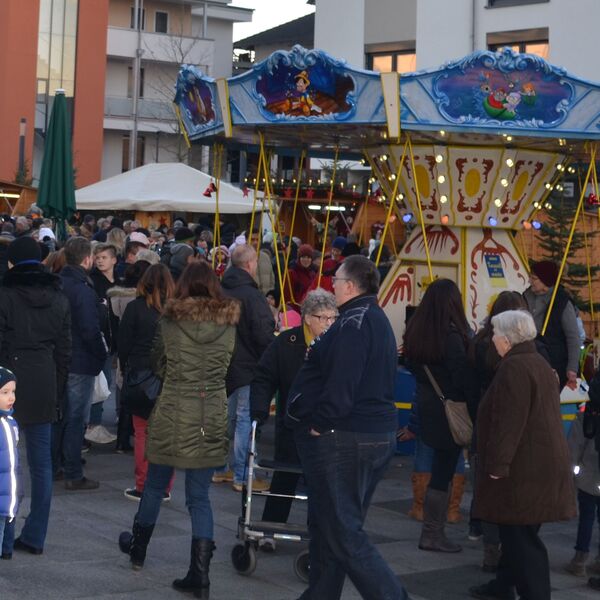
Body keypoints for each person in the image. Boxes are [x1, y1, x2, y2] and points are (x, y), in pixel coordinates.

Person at [285, 255, 409, 600]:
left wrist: (319, 424)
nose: (332, 285)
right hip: (366, 434)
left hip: (348, 436)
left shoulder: (355, 322)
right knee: (330, 527)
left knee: (343, 531)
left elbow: (343, 383)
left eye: (336, 280)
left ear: (351, 286)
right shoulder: (372, 317)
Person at [118, 262, 240, 597]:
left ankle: (138, 551)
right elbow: (227, 366)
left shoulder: (170, 321)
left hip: (174, 409)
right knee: (200, 497)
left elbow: (157, 363)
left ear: (183, 286)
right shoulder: (228, 325)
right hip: (210, 414)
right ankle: (199, 574)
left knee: (155, 486)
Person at [470, 310, 576, 600]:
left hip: (523, 470)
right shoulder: (537, 362)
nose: (491, 339)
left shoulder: (514, 367)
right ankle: (503, 585)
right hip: (538, 464)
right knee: (516, 534)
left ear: (506, 339)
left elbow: (509, 421)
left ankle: (535, 595)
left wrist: (498, 465)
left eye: (494, 334)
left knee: (522, 540)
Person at [250, 289, 338, 551]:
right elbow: (264, 376)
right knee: (284, 477)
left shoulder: (338, 344)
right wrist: (259, 410)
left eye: (334, 318)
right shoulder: (287, 342)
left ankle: (320, 535)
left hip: (325, 424)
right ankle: (270, 528)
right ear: (308, 318)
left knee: (321, 483)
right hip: (293, 422)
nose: (329, 323)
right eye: (324, 318)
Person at [0, 237, 71, 555]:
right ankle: (35, 535)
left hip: (8, 382)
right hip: (44, 380)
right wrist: (57, 389)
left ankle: (5, 534)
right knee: (41, 465)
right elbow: (64, 351)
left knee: (5, 463)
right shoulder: (59, 297)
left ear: (12, 263)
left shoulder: (4, 296)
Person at [403, 278, 477, 553]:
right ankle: (433, 532)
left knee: (433, 465)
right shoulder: (452, 336)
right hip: (450, 410)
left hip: (427, 405)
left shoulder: (416, 332)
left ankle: (429, 527)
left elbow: (411, 365)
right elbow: (461, 377)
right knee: (444, 470)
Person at [468, 291, 529, 571]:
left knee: (488, 488)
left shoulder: (481, 344)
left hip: (485, 423)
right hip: (511, 429)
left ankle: (492, 548)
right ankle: (506, 548)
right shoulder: (525, 356)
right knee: (507, 487)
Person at [213, 245, 274, 492]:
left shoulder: (219, 290)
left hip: (223, 363)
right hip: (248, 364)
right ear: (250, 264)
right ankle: (242, 475)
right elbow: (262, 333)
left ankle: (220, 469)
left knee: (226, 419)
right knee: (244, 421)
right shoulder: (252, 295)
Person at [118, 264, 175, 501]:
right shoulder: (176, 310)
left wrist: (126, 368)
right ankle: (164, 486)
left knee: (142, 431)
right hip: (170, 377)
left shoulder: (135, 308)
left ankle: (143, 485)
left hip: (141, 376)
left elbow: (123, 344)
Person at [55, 237, 107, 490]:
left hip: (60, 358)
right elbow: (89, 329)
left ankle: (58, 464)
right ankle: (73, 471)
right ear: (87, 259)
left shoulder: (58, 283)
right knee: (76, 418)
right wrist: (100, 355)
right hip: (80, 360)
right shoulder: (82, 288)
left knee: (62, 414)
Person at [108, 260, 152, 453]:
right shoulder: (143, 304)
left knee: (125, 394)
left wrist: (121, 357)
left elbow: (119, 331)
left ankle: (122, 438)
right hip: (143, 357)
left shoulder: (117, 298)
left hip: (127, 354)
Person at [524, 260, 580, 389]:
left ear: (546, 281)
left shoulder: (562, 302)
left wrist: (572, 368)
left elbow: (573, 337)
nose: (530, 281)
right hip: (529, 359)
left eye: (534, 278)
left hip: (553, 362)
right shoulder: (526, 296)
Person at [87, 243, 119, 445]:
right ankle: (93, 425)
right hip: (101, 340)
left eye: (104, 257)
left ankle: (95, 424)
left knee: (107, 382)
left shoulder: (119, 281)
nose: (99, 260)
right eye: (97, 257)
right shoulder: (94, 281)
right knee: (101, 382)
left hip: (115, 339)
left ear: (114, 260)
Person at [565, 410, 600, 579]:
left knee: (586, 518)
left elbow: (575, 445)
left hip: (589, 475)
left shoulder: (587, 415)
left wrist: (571, 471)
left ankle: (579, 561)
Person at [0, 368, 19, 551]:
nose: (10, 397)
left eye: (12, 392)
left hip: (5, 501)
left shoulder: (10, 422)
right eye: (4, 392)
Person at [285, 244, 316, 309]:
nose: (306, 260)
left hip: (310, 310)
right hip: (295, 310)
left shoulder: (313, 274)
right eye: (303, 257)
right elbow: (287, 297)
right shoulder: (291, 273)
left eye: (308, 257)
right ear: (299, 258)